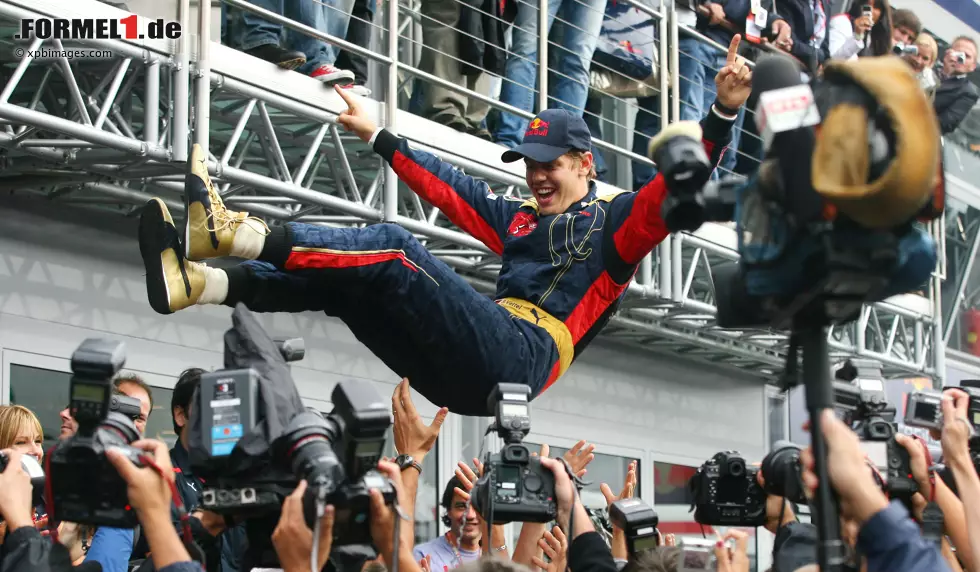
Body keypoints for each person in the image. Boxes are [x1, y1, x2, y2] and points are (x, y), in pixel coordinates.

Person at [138, 46, 751, 415]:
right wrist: (380, 135)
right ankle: (202, 282)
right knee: (351, 284)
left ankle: (236, 231)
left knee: (397, 249)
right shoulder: (518, 219)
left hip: (522, 357)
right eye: (531, 164)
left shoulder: (616, 224)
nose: (537, 176)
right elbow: (453, 189)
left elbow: (676, 188)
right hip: (463, 374)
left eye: (551, 165)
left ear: (585, 163)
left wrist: (722, 112)